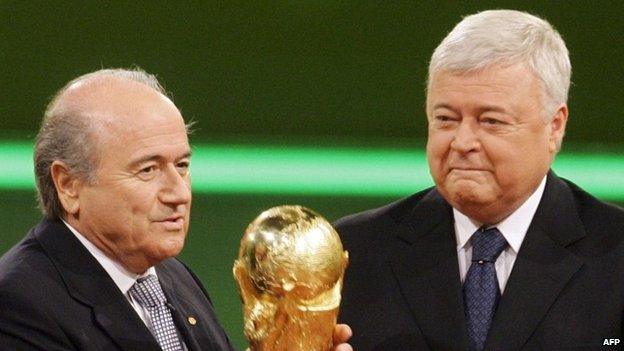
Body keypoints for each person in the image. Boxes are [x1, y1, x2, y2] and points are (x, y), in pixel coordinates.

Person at [0, 69, 352, 351]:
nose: (178, 193)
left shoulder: (173, 279)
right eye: (148, 169)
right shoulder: (18, 305)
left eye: (182, 165)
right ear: (68, 184)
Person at [335, 9, 624, 351]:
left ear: (555, 126)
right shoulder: (350, 254)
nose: (462, 142)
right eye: (445, 118)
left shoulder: (616, 253)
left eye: (491, 121)